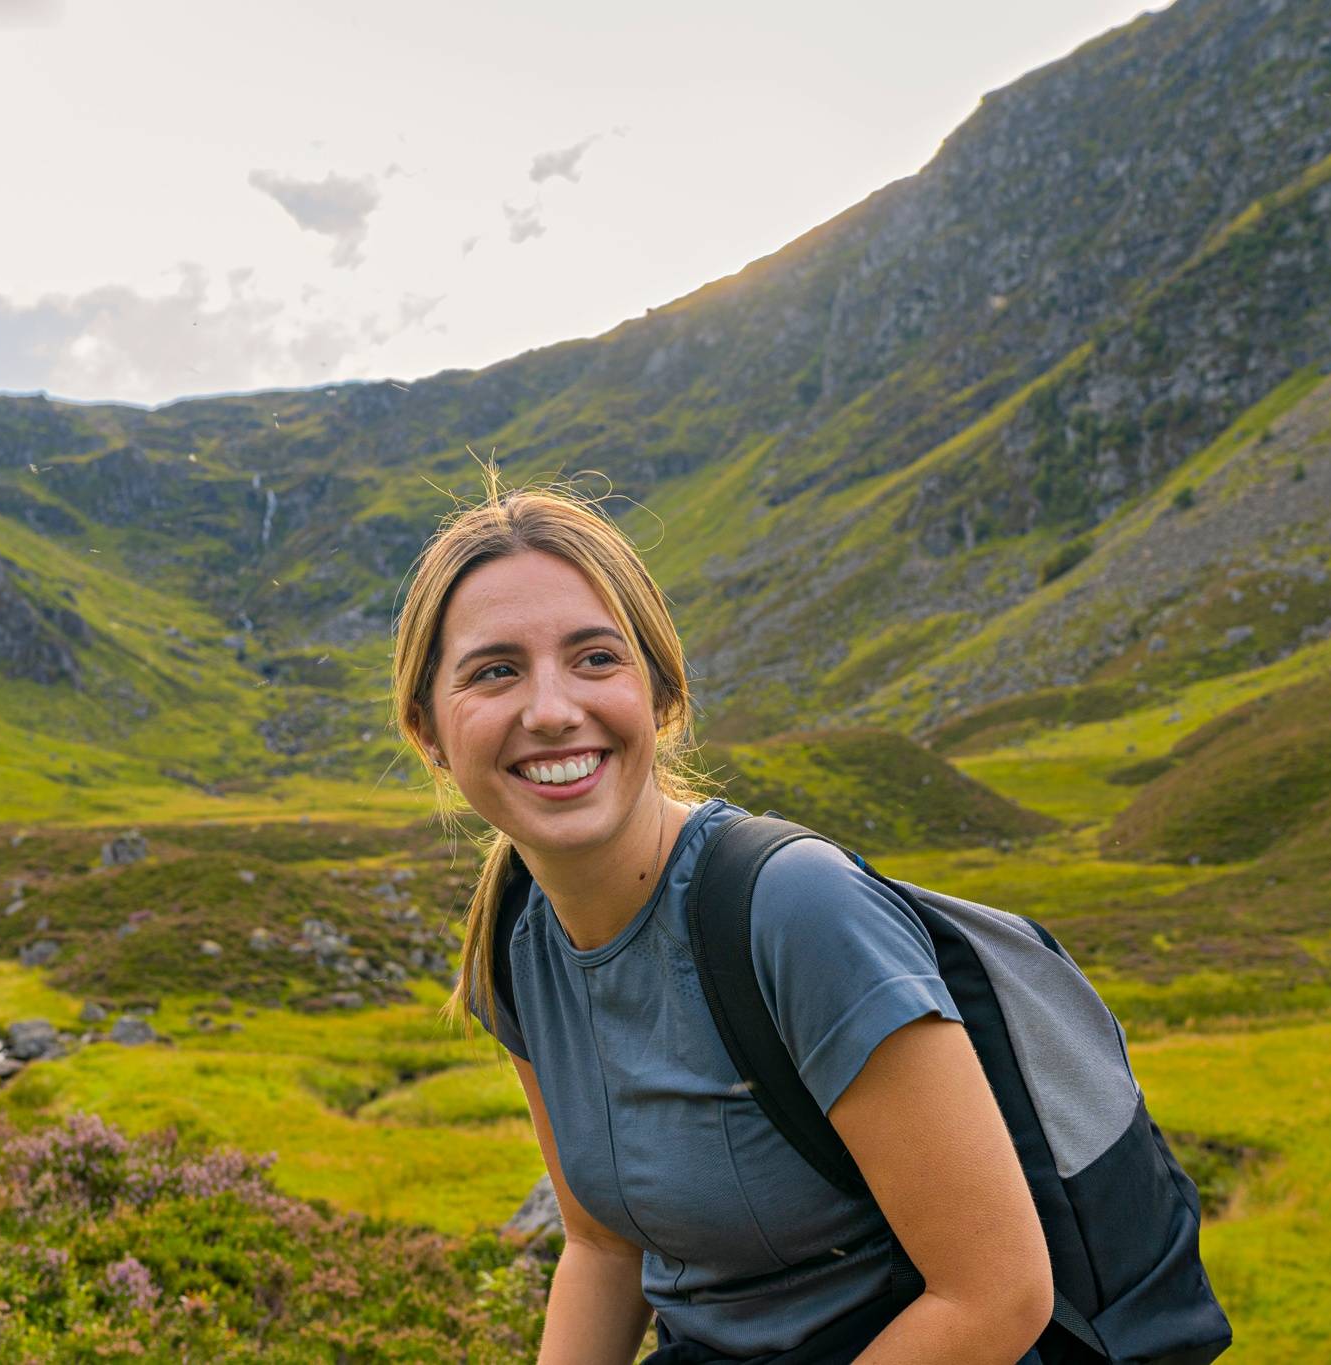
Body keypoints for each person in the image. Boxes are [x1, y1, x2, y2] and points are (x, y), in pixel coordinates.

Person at [391, 481, 1053, 1364]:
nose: (551, 709)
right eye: (495, 670)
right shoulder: (516, 942)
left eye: (596, 658)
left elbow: (995, 1296)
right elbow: (602, 1246)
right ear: (428, 729)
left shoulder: (797, 908)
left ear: (660, 696)